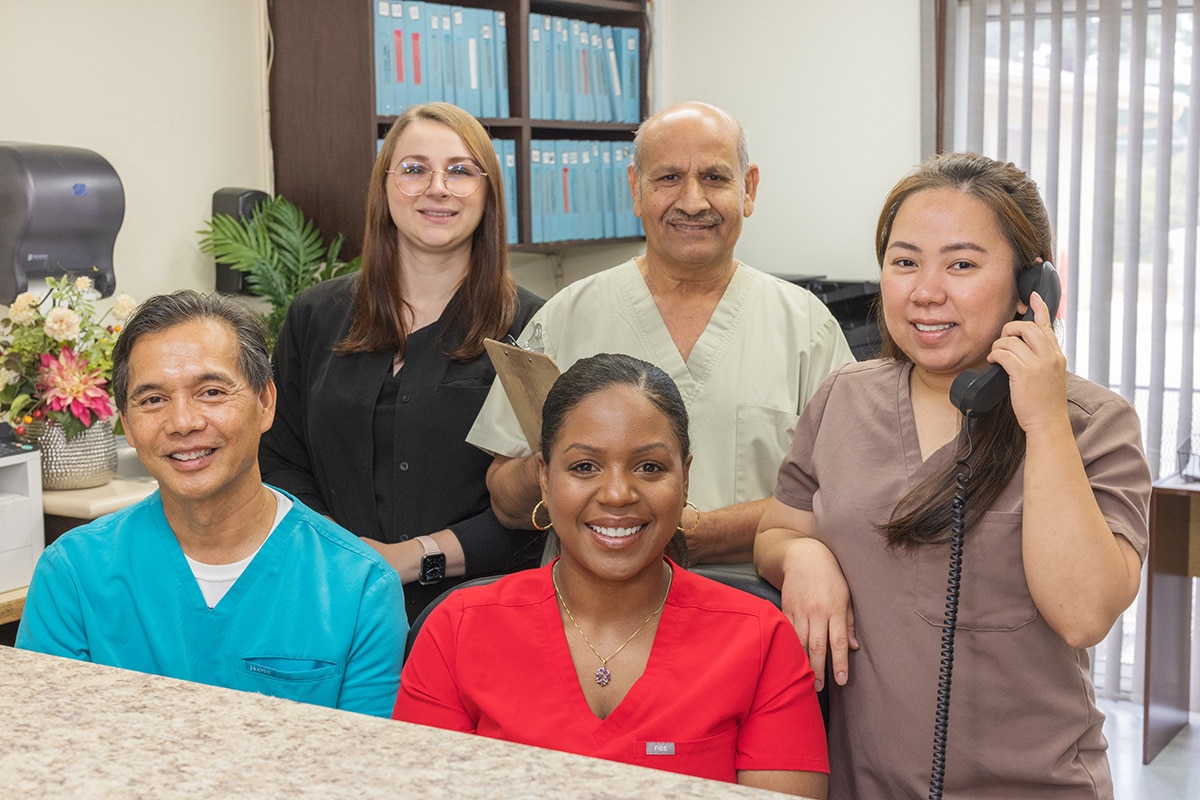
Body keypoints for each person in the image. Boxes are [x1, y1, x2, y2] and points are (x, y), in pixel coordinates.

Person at [755, 152, 1152, 799]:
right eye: (904, 261)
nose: (925, 291)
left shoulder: (1093, 423)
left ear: (1033, 286)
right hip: (860, 786)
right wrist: (801, 557)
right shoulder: (843, 397)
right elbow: (778, 526)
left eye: (962, 264)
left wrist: (1043, 418)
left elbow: (1083, 615)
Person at [397, 353, 829, 797]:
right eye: (585, 467)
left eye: (650, 467)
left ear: (685, 478)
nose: (618, 494)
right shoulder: (458, 628)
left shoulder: (760, 640)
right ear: (545, 479)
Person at [469, 101, 855, 568]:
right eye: (668, 178)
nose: (692, 202)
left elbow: (845, 495)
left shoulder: (807, 329)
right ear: (635, 187)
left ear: (748, 188)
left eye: (714, 178)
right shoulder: (565, 317)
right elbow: (506, 503)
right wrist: (562, 465)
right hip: (592, 622)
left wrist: (686, 533)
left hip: (756, 614)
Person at [17, 291, 406, 717]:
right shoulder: (73, 574)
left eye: (212, 391)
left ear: (265, 403)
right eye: (153, 400)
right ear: (126, 425)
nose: (184, 422)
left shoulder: (358, 586)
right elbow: (49, 749)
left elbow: (364, 768)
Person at [259, 102, 545, 622]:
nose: (437, 188)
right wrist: (344, 556)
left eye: (460, 171)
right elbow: (280, 460)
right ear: (385, 185)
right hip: (329, 604)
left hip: (482, 613)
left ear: (488, 192)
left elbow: (543, 496)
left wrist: (412, 560)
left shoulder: (532, 326)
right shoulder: (314, 316)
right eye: (414, 169)